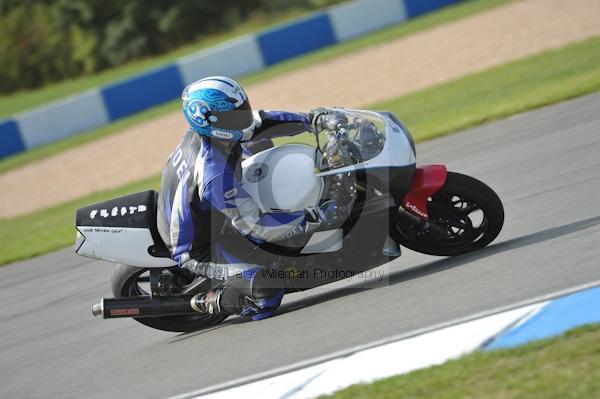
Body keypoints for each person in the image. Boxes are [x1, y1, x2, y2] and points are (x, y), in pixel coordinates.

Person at [156, 76, 339, 320]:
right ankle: (211, 301)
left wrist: (316, 120)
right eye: (233, 116)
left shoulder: (218, 133)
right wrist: (315, 216)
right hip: (200, 247)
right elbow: (255, 226)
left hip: (213, 214)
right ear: (208, 121)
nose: (242, 118)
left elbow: (263, 121)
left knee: (263, 141)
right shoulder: (213, 175)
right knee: (268, 289)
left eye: (241, 110)